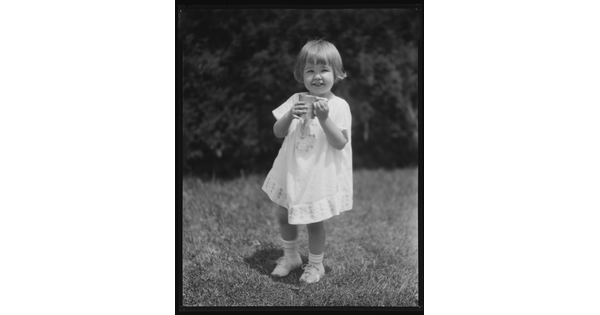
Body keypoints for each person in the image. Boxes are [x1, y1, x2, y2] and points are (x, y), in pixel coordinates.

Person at [262, 39, 353, 284]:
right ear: (301, 75)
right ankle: (291, 256)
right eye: (310, 70)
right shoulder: (296, 99)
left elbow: (340, 143)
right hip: (292, 169)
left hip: (317, 173)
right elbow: (278, 132)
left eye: (324, 70)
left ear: (336, 73)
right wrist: (290, 114)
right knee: (284, 213)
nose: (317, 76)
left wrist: (324, 119)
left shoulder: (338, 106)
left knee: (314, 220)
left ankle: (315, 265)